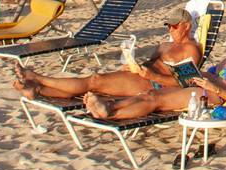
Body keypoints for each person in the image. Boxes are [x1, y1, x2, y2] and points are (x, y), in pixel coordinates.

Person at [13, 6, 203, 101]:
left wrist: (150, 74)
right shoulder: (164, 45)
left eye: (175, 26)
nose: (171, 29)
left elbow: (187, 81)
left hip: (152, 83)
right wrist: (132, 64)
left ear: (186, 26)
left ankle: (38, 78)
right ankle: (37, 91)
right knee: (94, 88)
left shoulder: (190, 49)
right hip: (137, 75)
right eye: (169, 26)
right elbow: (150, 63)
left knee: (95, 81)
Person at [81, 27, 226, 121]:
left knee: (157, 101)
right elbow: (215, 76)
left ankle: (112, 114)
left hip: (212, 96)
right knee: (151, 93)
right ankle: (110, 105)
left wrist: (213, 87)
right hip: (201, 86)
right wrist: (197, 74)